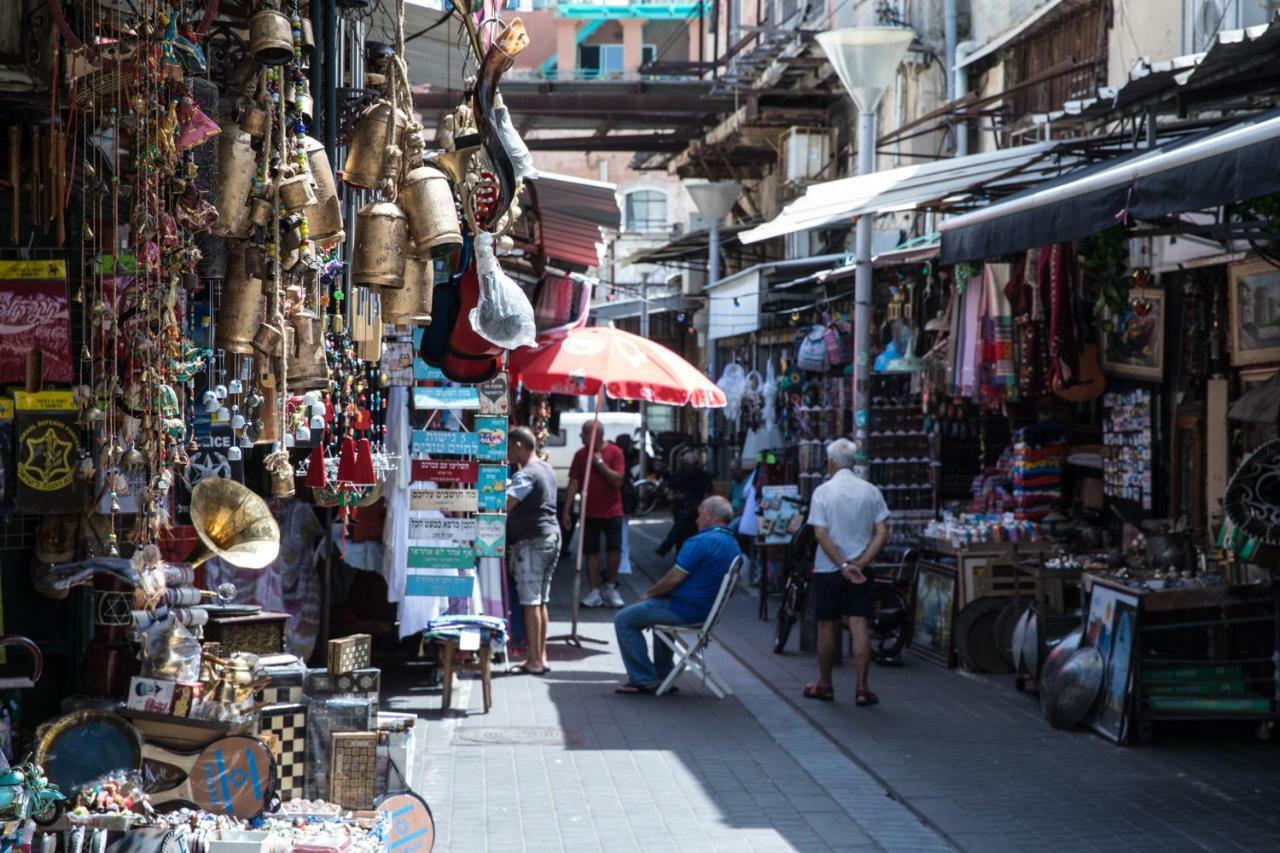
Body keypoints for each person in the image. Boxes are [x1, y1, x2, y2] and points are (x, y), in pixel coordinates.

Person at [614, 496, 740, 694]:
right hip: (705, 611)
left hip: (686, 610)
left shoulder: (701, 541)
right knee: (654, 614)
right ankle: (664, 674)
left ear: (709, 516)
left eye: (699, 514)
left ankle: (644, 678)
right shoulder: (732, 543)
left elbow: (674, 578)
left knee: (624, 619)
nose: (696, 519)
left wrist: (649, 594)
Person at [803, 438, 889, 706]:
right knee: (858, 623)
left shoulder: (823, 492)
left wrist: (841, 564)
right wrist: (859, 564)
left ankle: (825, 684)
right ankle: (862, 688)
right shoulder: (871, 491)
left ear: (831, 463)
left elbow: (819, 533)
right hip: (861, 570)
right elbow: (882, 532)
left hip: (829, 569)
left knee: (826, 624)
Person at [506, 426, 560, 675]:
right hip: (550, 537)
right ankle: (542, 656)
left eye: (508, 447)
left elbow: (507, 503)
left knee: (530, 601)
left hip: (533, 541)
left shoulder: (526, 473)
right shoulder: (546, 468)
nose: (507, 453)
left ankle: (535, 661)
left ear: (518, 445)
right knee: (541, 600)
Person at [562, 421, 626, 609]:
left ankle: (610, 586)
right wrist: (566, 509)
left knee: (614, 549)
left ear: (595, 434)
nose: (581, 436)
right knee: (591, 551)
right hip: (589, 511)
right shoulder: (581, 455)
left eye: (584, 433)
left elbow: (617, 481)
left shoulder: (615, 452)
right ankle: (594, 591)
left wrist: (599, 463)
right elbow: (573, 483)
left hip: (612, 510)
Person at [655, 451, 713, 557]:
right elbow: (670, 494)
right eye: (688, 465)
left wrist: (702, 507)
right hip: (681, 507)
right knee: (684, 519)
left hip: (697, 508)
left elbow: (707, 495)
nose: (690, 469)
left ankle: (667, 545)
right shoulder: (678, 475)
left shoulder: (704, 476)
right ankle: (673, 548)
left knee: (684, 519)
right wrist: (676, 497)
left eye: (693, 465)